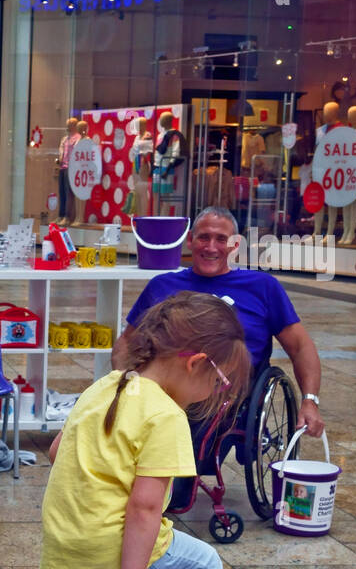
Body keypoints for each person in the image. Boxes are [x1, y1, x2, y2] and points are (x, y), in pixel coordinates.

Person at [45, 293, 251, 569]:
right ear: (195, 364)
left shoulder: (105, 385)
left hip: (66, 544)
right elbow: (145, 508)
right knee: (208, 564)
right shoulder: (166, 415)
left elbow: (55, 452)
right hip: (108, 551)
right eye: (218, 382)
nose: (215, 391)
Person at [112, 206, 324, 508]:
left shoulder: (261, 287)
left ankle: (164, 486)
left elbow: (301, 346)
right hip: (163, 386)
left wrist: (310, 400)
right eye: (204, 237)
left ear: (234, 244)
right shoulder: (163, 285)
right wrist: (125, 381)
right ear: (190, 240)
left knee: (182, 426)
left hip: (225, 393)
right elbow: (126, 343)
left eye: (221, 239)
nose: (211, 247)